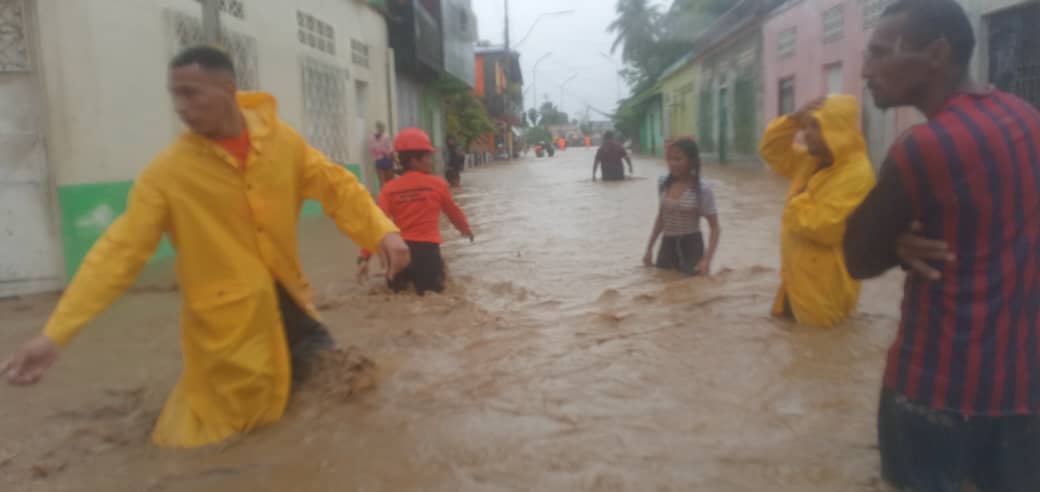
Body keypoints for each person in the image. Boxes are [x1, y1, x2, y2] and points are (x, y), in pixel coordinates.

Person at [0, 47, 409, 449]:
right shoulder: (169, 174)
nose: (181, 106)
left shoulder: (281, 142)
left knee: (345, 397)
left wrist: (382, 232)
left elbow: (336, 187)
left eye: (191, 92)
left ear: (227, 88)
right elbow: (117, 255)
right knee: (227, 443)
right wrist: (55, 335)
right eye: (175, 95)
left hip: (293, 310)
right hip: (230, 339)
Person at [843, 1, 1040, 490]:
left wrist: (895, 245)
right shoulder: (1026, 118)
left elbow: (857, 256)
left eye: (881, 53)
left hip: (932, 393)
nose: (866, 69)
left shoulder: (921, 148)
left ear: (937, 53)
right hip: (1023, 389)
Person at [759, 95, 876, 328]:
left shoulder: (857, 174)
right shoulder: (812, 161)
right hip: (797, 280)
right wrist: (792, 120)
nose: (806, 133)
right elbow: (771, 151)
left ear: (837, 131)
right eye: (806, 125)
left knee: (821, 352)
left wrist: (793, 202)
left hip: (824, 289)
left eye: (816, 125)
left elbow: (825, 227)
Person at [358, 128, 473, 295]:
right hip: (428, 255)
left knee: (398, 299)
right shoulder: (437, 184)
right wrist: (465, 229)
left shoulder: (389, 188)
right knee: (434, 300)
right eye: (427, 157)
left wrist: (364, 256)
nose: (431, 161)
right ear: (413, 160)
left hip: (398, 255)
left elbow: (376, 223)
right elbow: (453, 212)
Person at [643, 138, 721, 275]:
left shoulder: (702, 189)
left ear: (691, 161)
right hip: (667, 245)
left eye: (678, 159)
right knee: (662, 287)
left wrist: (706, 260)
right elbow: (661, 217)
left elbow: (715, 227)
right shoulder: (663, 183)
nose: (673, 164)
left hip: (692, 246)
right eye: (670, 159)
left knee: (693, 291)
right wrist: (649, 249)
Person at [369, 121, 394, 186]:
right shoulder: (386, 136)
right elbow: (390, 149)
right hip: (386, 159)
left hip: (379, 159)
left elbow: (372, 150)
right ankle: (389, 194)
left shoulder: (372, 138)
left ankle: (384, 194)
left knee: (382, 181)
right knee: (389, 181)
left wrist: (378, 153)